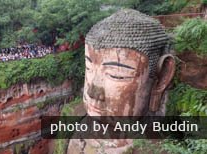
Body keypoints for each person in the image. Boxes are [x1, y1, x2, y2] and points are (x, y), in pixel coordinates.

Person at [68, 9, 175, 154]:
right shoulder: (82, 130)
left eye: (116, 75)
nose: (92, 92)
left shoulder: (157, 148)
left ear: (162, 77)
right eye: (88, 68)